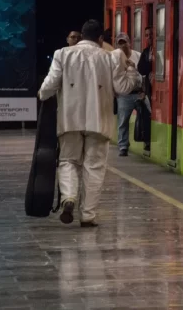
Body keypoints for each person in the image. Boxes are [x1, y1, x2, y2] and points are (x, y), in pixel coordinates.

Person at [38, 19, 142, 227]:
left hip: (69, 120)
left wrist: (42, 94)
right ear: (101, 39)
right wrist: (131, 70)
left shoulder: (62, 54)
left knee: (68, 161)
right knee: (93, 167)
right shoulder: (110, 57)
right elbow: (122, 88)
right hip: (99, 121)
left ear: (81, 36)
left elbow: (49, 86)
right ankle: (87, 215)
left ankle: (69, 197)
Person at [114, 32, 144, 156]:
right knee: (123, 121)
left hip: (139, 92)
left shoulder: (138, 56)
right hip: (124, 94)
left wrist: (134, 67)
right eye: (120, 43)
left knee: (146, 115)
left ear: (129, 43)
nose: (122, 46)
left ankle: (146, 140)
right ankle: (123, 146)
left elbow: (144, 74)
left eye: (124, 42)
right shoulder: (114, 59)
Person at [137, 26, 154, 152]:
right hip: (148, 89)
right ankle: (147, 140)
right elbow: (141, 68)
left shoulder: (163, 50)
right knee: (147, 114)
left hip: (157, 88)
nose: (149, 38)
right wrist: (151, 66)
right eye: (147, 35)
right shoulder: (146, 51)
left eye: (151, 35)